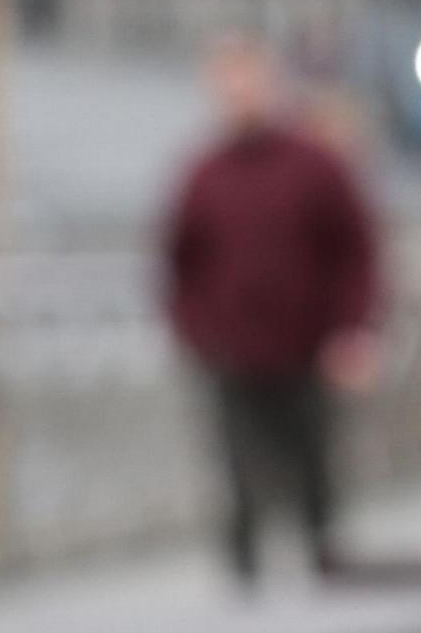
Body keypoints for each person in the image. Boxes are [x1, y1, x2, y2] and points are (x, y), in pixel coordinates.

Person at [161, 32, 383, 589]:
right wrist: (193, 331)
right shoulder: (203, 174)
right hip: (232, 347)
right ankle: (243, 569)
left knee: (313, 458)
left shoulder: (316, 167)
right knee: (238, 463)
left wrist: (353, 331)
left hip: (309, 342)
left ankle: (323, 553)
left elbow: (357, 252)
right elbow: (179, 261)